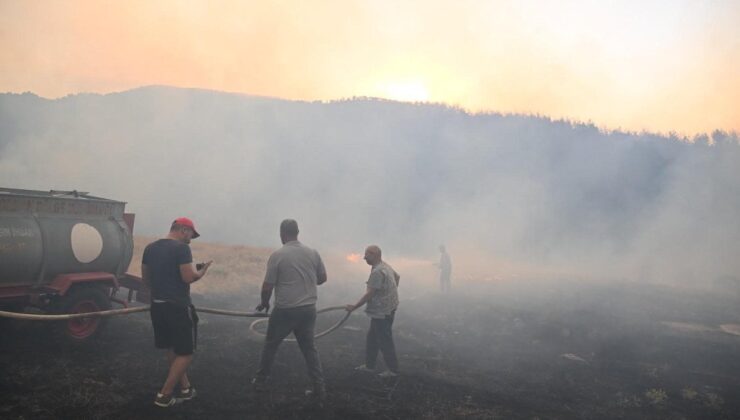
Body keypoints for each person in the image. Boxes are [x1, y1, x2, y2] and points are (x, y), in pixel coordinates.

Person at [252, 219, 328, 402]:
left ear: (282, 233)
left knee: (270, 346)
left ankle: (260, 381)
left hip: (285, 310)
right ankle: (319, 388)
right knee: (309, 349)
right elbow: (322, 278)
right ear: (297, 232)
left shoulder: (278, 255)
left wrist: (264, 303)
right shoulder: (313, 253)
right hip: (308, 310)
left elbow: (267, 285)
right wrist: (307, 282)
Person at [142, 217, 212, 408]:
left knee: (172, 347)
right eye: (191, 234)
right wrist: (202, 271)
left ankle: (186, 388)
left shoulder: (150, 248)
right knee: (187, 352)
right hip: (177, 307)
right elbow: (188, 277)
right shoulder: (181, 249)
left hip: (157, 306)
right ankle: (164, 395)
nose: (191, 239)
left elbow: (146, 279)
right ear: (182, 230)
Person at [345, 245, 400, 378]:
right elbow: (397, 277)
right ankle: (370, 366)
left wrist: (354, 306)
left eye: (367, 255)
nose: (364, 258)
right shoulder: (385, 266)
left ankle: (393, 370)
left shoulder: (377, 272)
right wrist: (389, 293)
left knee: (384, 340)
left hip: (381, 312)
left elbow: (369, 294)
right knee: (372, 338)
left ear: (374, 254)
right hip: (389, 308)